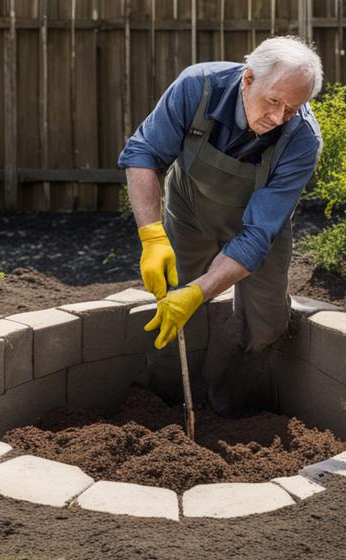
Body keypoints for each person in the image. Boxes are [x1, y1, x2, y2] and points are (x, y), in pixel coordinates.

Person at [117, 35, 324, 415]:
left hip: (256, 227)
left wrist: (201, 291)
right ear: (248, 79)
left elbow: (257, 235)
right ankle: (161, 404)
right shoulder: (197, 89)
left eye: (292, 109)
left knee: (266, 322)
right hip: (190, 210)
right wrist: (152, 236)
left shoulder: (301, 139)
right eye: (273, 101)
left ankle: (229, 405)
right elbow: (143, 153)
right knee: (174, 303)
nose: (278, 117)